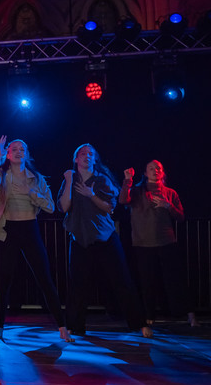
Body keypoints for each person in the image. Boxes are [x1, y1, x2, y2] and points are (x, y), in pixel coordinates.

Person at [58, 144, 151, 338]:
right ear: (76, 159)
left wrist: (91, 195)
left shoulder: (102, 179)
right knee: (77, 284)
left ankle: (138, 323)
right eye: (83, 154)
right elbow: (64, 207)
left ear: (95, 159)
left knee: (122, 280)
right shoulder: (70, 180)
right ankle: (75, 326)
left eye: (91, 154)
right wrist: (68, 181)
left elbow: (110, 208)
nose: (87, 156)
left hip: (105, 237)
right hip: (80, 238)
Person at [0, 136, 68, 342]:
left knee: (44, 278)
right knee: (3, 280)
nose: (18, 152)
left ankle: (62, 327)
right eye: (13, 149)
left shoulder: (36, 178)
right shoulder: (2, 175)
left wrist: (30, 192)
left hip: (30, 228)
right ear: (8, 154)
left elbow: (50, 207)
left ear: (27, 154)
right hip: (8, 230)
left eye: (22, 149)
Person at [120, 160, 192, 326]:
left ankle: (187, 314)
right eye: (151, 168)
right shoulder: (137, 191)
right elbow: (123, 200)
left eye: (158, 168)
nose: (155, 170)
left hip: (166, 241)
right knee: (147, 282)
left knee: (175, 279)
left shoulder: (170, 192)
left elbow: (181, 217)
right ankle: (149, 316)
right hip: (143, 243)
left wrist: (168, 206)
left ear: (163, 172)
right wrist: (127, 180)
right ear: (145, 173)